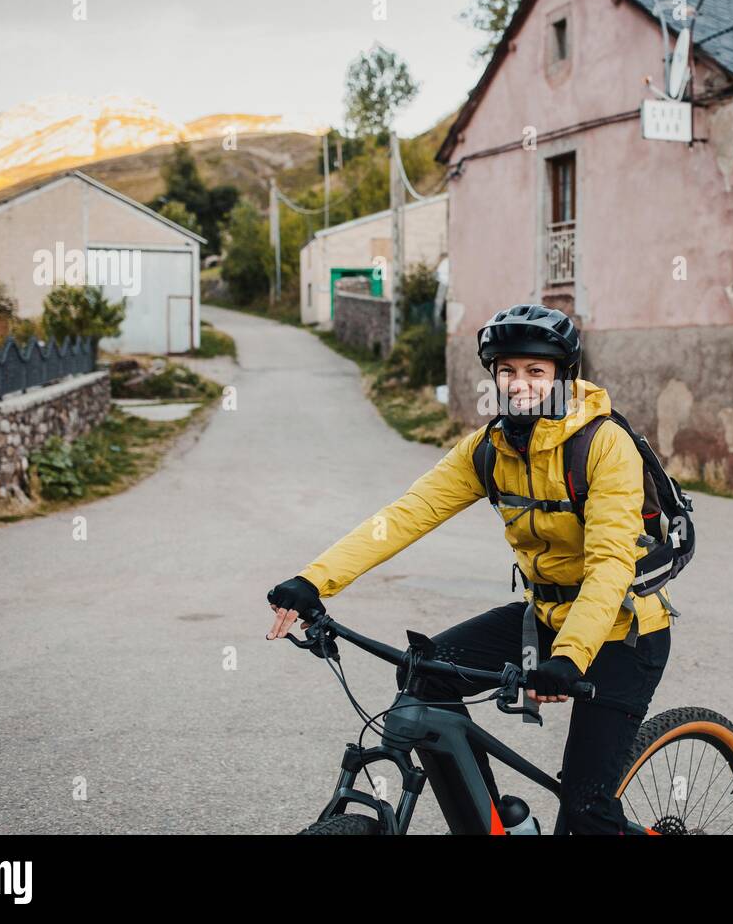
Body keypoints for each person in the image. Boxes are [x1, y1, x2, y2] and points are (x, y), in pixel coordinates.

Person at [266, 303, 673, 834]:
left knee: (585, 812)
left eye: (535, 370)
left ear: (561, 375)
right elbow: (406, 516)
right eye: (507, 370)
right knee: (424, 674)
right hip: (545, 618)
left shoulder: (602, 445)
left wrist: (571, 657)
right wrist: (314, 581)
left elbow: (609, 564)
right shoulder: (489, 449)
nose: (519, 383)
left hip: (624, 634)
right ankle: (494, 823)